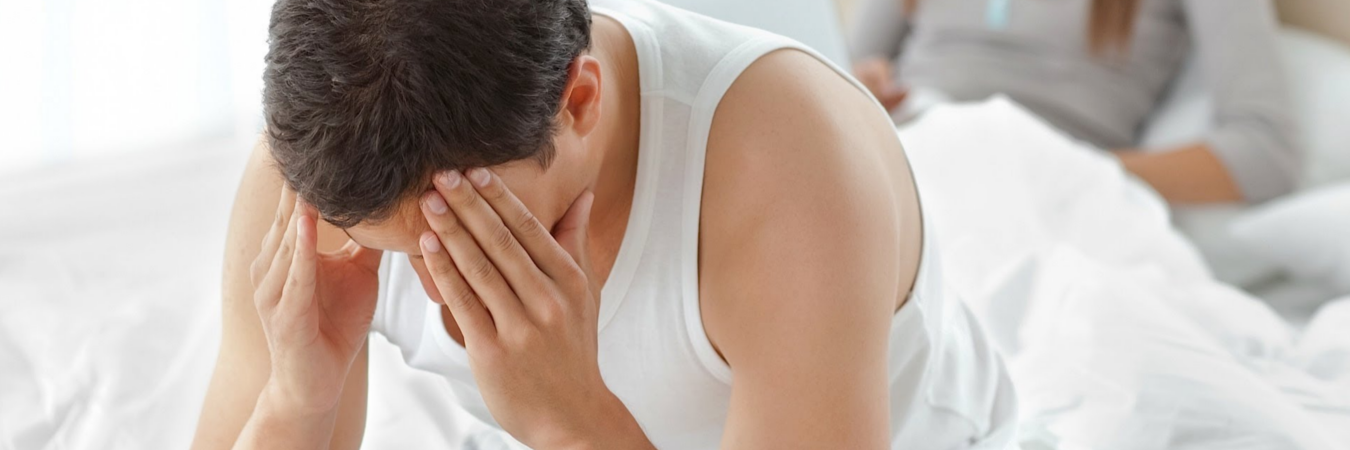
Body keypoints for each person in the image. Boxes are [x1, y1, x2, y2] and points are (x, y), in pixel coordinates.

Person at [191, 0, 1017, 448]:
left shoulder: (790, 168)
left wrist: (570, 418)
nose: (440, 292)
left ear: (579, 102)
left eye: (469, 230)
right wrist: (298, 402)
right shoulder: (319, 171)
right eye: (400, 254)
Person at [849, 0, 1298, 204]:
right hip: (903, 148)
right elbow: (839, 68)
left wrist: (1061, 172)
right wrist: (860, 89)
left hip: (1033, 184)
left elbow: (1264, 153)